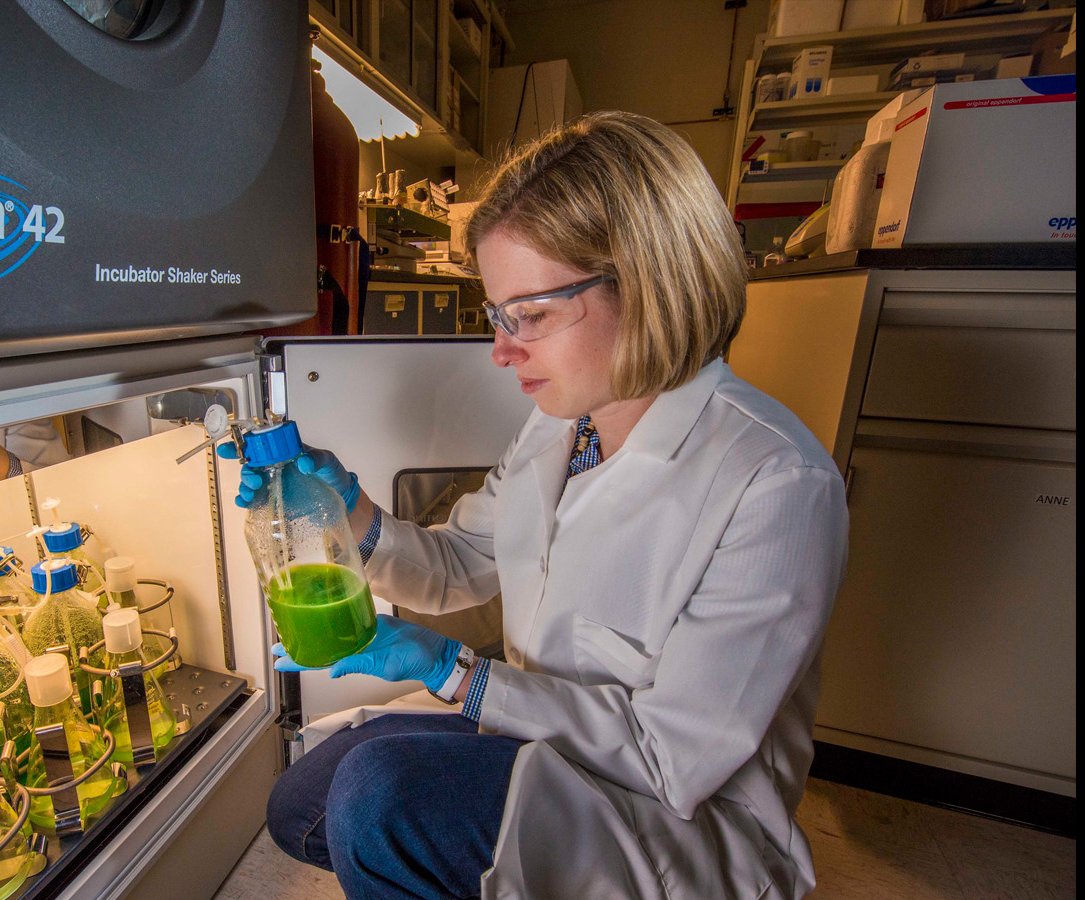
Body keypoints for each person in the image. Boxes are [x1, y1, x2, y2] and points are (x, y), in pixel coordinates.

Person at [223, 111, 849, 900]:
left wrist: (457, 674)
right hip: (548, 740)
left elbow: (673, 760)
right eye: (497, 314)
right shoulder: (564, 426)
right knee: (304, 805)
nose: (501, 350)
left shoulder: (776, 482)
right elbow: (462, 565)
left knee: (378, 799)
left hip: (676, 817)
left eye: (532, 315)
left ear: (648, 287)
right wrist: (345, 512)